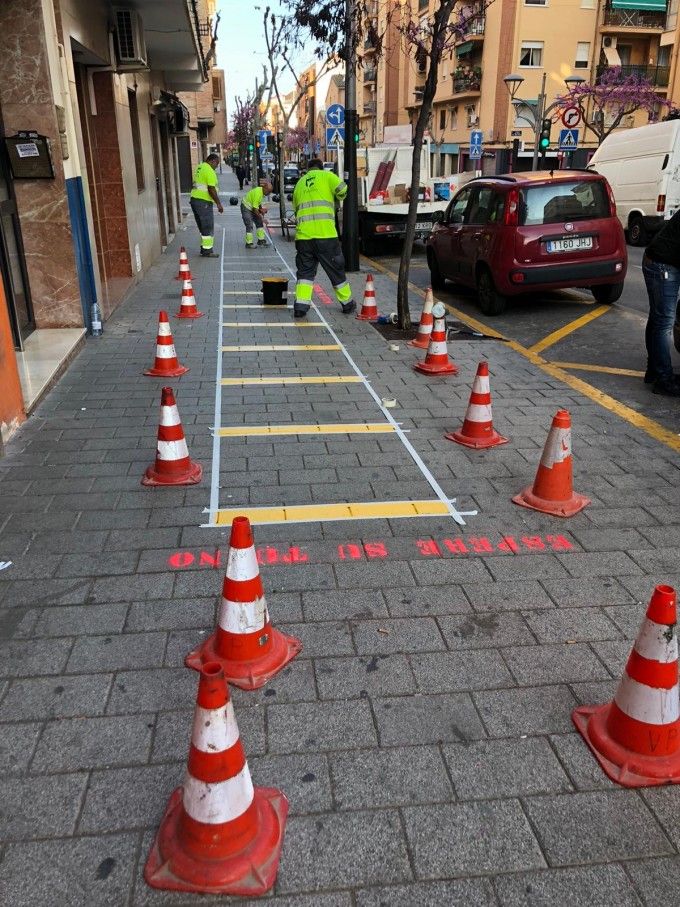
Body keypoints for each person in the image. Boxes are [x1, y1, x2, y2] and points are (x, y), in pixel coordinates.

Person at [291, 158, 355, 318]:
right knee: (335, 269)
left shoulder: (299, 184)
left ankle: (300, 306)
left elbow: (296, 208)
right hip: (325, 235)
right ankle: (347, 303)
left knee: (305, 273)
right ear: (320, 168)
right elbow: (343, 190)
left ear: (308, 169)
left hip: (303, 237)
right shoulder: (327, 176)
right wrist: (336, 197)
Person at [642, 210, 680, 396]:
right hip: (661, 265)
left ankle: (654, 370)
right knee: (664, 322)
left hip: (661, 261)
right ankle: (663, 379)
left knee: (657, 319)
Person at [189, 153, 223, 257]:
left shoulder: (199, 167)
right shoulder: (209, 170)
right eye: (217, 163)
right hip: (204, 202)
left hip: (194, 200)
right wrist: (218, 204)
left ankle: (204, 249)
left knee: (202, 226)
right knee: (208, 226)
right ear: (212, 161)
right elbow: (211, 189)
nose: (217, 166)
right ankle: (207, 251)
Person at [241, 180, 272, 249]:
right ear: (264, 188)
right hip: (246, 207)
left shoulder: (261, 192)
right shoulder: (258, 193)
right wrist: (263, 219)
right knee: (249, 224)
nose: (269, 193)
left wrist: (261, 209)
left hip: (252, 207)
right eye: (268, 191)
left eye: (270, 192)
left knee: (259, 222)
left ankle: (261, 240)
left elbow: (258, 203)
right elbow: (255, 209)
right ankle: (249, 243)